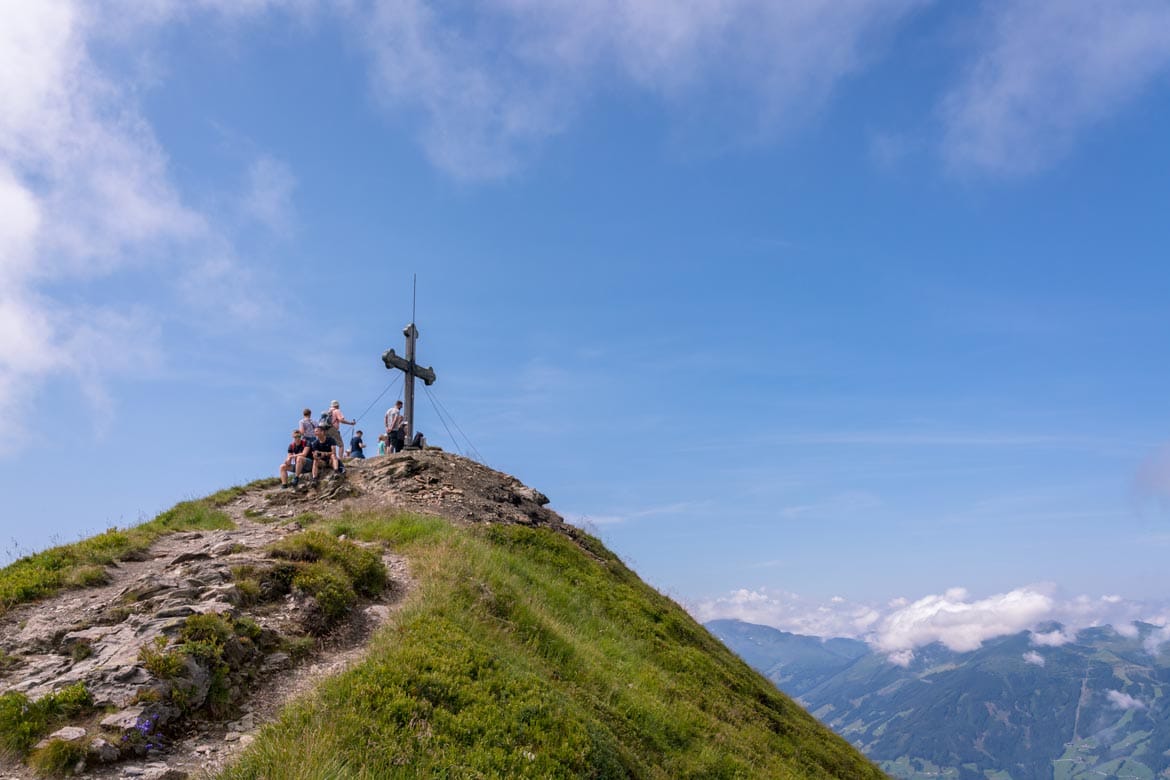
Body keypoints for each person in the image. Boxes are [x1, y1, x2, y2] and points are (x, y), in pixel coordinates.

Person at [327, 400, 356, 465]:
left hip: (326, 430)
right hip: (333, 429)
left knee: (330, 445)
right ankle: (340, 459)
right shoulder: (337, 411)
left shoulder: (329, 412)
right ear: (337, 405)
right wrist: (351, 423)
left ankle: (330, 460)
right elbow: (341, 420)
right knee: (341, 445)